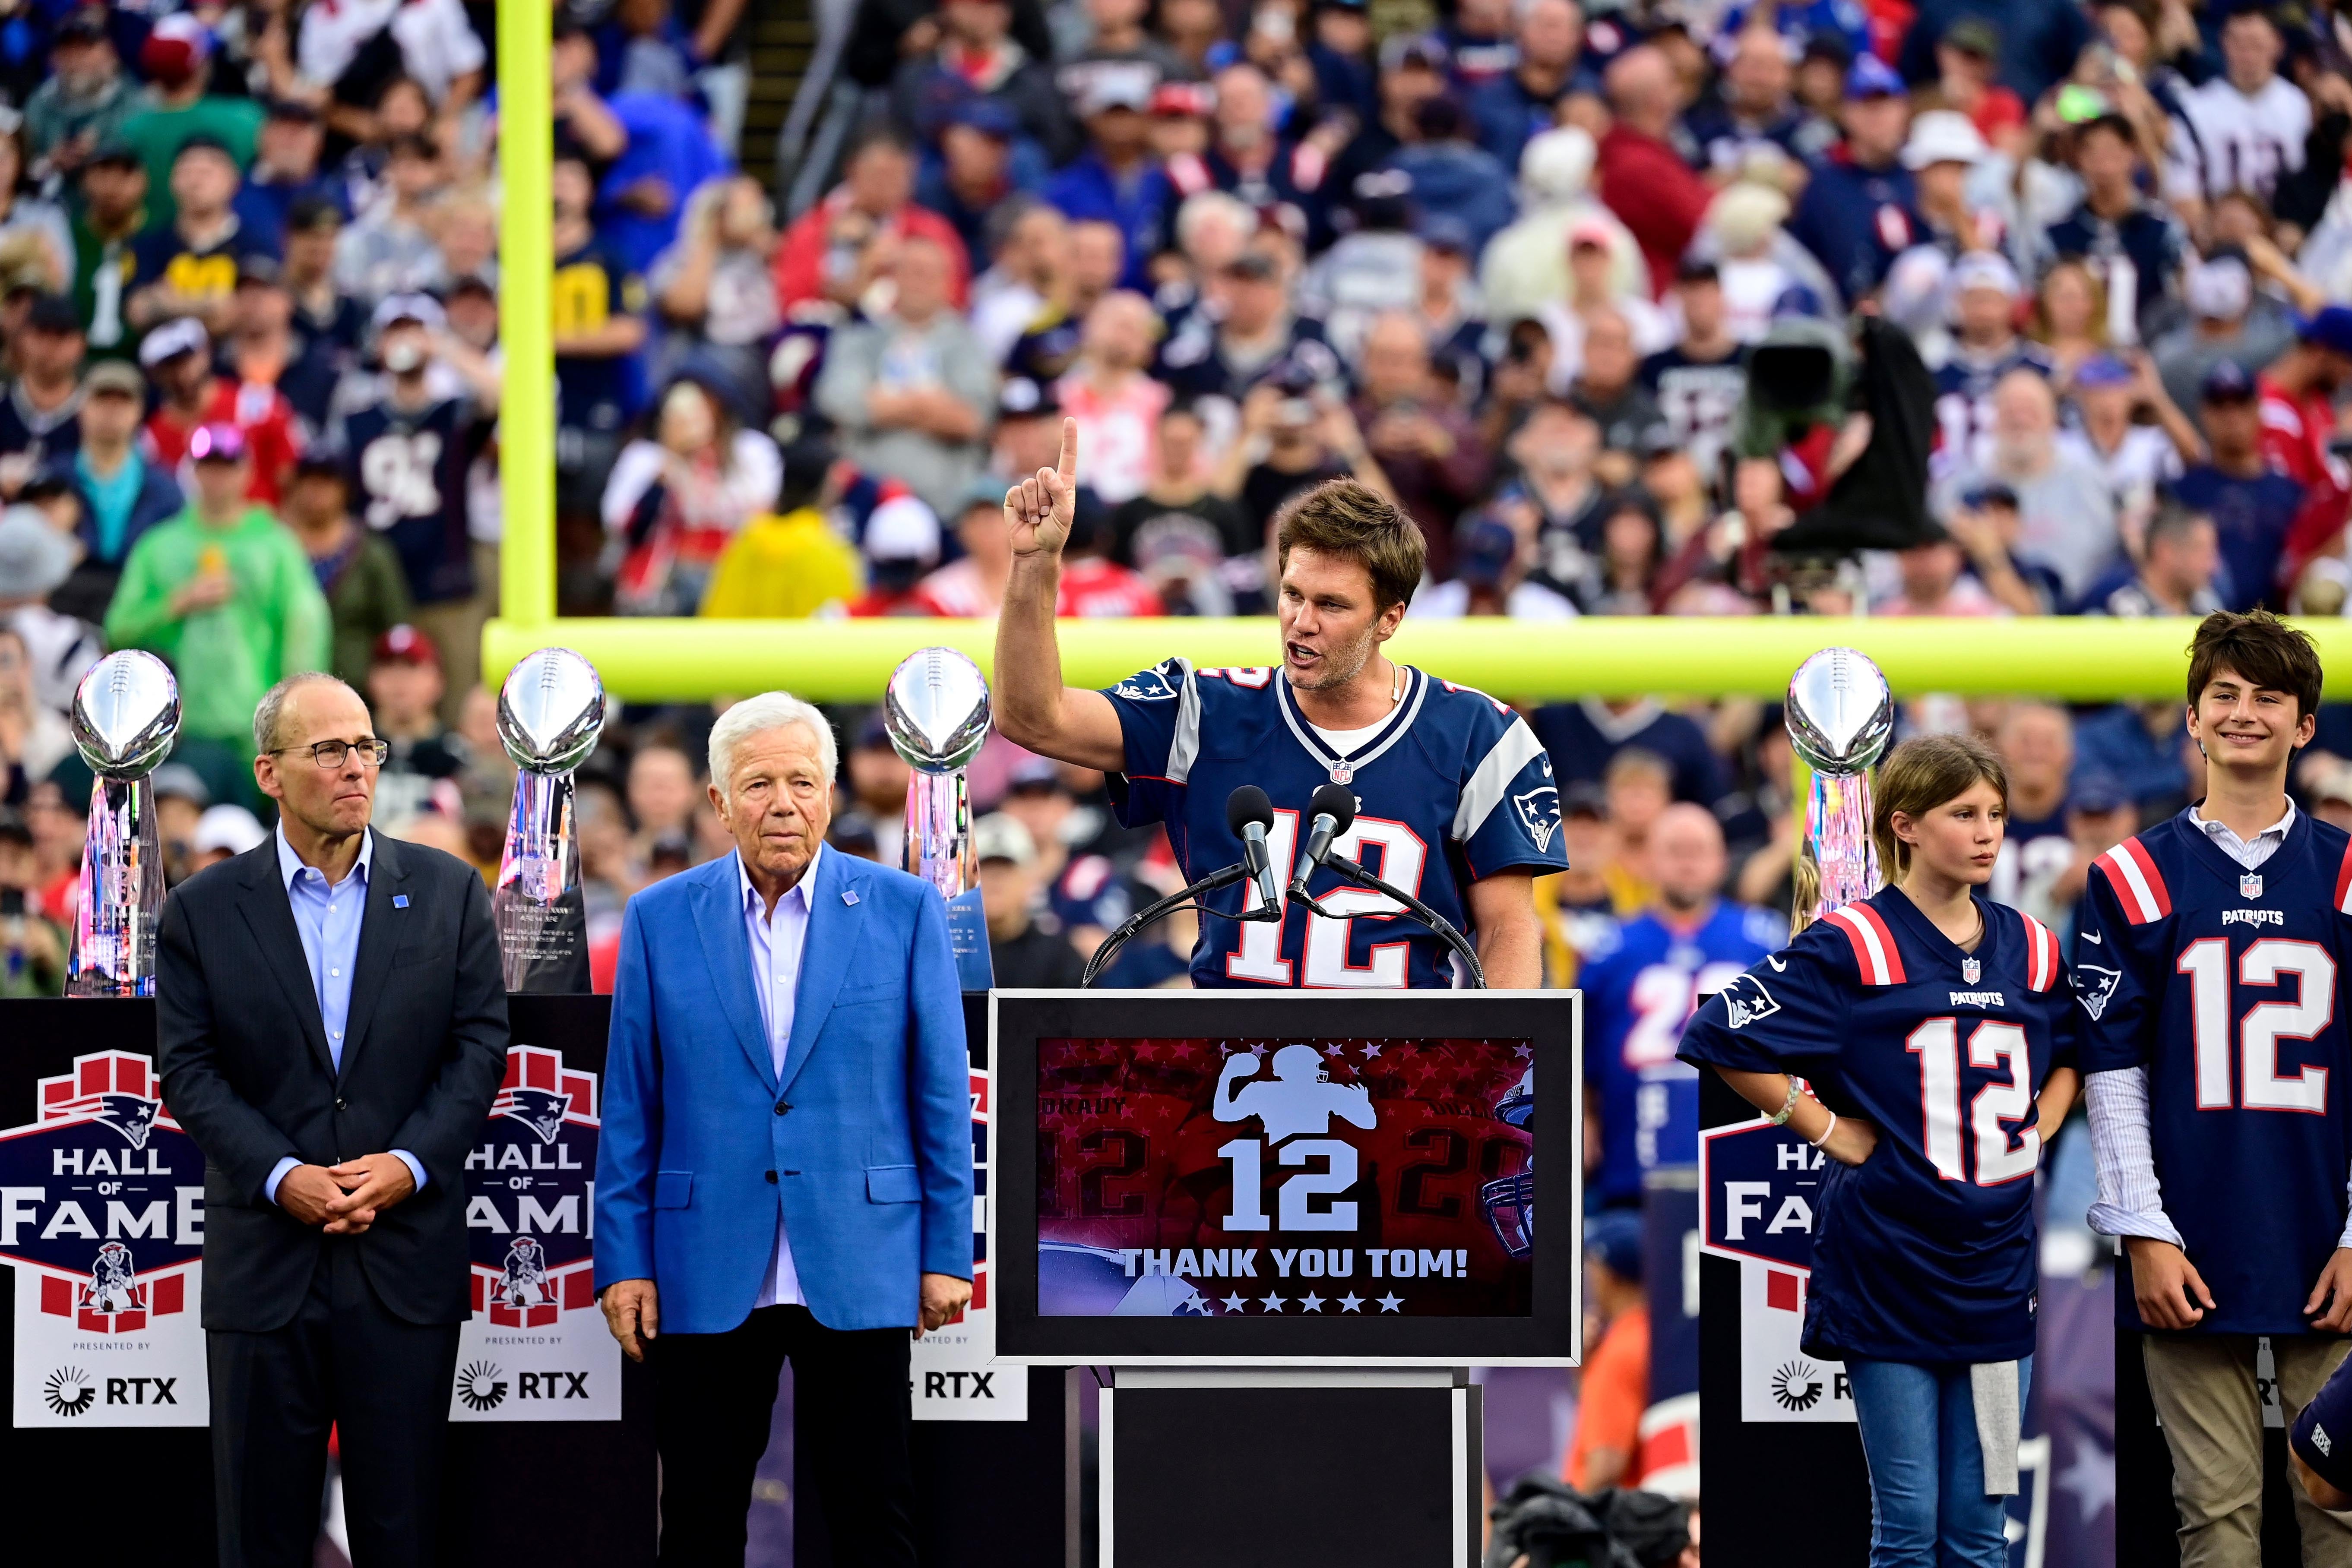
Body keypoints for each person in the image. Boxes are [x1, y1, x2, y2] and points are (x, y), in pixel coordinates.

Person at [1681, 733, 2082, 1568]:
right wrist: (1822, 1125)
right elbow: (1720, 1032)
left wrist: (2038, 1126)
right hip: (1889, 1261)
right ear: (1903, 824)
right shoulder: (1851, 943)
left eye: (1995, 814)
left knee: (1981, 1529)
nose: (1985, 832)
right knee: (1906, 1527)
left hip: (1998, 1270)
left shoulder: (2034, 945)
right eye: (1962, 813)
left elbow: (2080, 1046)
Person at [595, 692, 974, 1568]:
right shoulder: (657, 918)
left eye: (802, 781)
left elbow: (940, 1097)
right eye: (757, 783)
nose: (783, 802)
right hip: (703, 1253)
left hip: (860, 1247)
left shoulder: (904, 909)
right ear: (718, 803)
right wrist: (624, 1260)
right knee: (696, 1514)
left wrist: (947, 1250)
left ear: (831, 795)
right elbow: (630, 1107)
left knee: (874, 1510)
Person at [993, 424, 1563, 988]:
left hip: (1401, 1072)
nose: (1301, 622)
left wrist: (1489, 1073)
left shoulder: (1479, 737)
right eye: (1292, 594)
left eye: (1331, 605)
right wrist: (1033, 564)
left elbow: (1506, 933)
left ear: (1390, 617)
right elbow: (1032, 717)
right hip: (1231, 1070)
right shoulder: (1203, 710)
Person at [155, 671, 508, 1568]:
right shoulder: (200, 909)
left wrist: (404, 1167)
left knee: (404, 1533)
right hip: (266, 1267)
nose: (356, 767)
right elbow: (188, 1070)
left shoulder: (447, 891)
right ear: (269, 773)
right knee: (259, 1535)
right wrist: (284, 1177)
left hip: (404, 1262)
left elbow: (476, 1052)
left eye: (365, 747)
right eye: (330, 749)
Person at [2080, 611, 2352, 1565]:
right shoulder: (2131, 874)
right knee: (2215, 1518)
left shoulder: (2347, 870)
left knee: (2340, 1509)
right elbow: (2110, 1064)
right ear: (2189, 718)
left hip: (2326, 1235)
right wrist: (2142, 1230)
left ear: (2303, 725)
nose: (2243, 714)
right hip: (2188, 1237)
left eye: (2267, 697)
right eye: (2223, 696)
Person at [1581, 804, 1784, 1211]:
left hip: (1743, 1154)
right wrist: (1584, 1123)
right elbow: (1574, 1051)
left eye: (1699, 850)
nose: (1688, 863)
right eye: (1675, 850)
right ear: (1649, 860)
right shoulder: (1611, 948)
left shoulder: (1763, 940)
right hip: (1631, 1157)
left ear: (1722, 859)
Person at [103, 424, 332, 771]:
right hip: (180, 732)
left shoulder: (274, 544)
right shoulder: (160, 545)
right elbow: (118, 630)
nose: (218, 478)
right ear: (193, 472)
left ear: (247, 471)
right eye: (208, 467)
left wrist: (296, 720)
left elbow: (305, 629)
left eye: (228, 466)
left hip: (255, 730)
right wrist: (177, 603)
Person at [1564, 1210, 1650, 1492]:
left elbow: (1606, 1466)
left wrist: (1568, 1527)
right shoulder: (1646, 1334)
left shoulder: (1620, 1350)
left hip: (1611, 1527)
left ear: (1606, 1273)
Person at [975, 810, 1087, 986]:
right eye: (985, 870)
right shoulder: (951, 955)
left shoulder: (1059, 957)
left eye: (1006, 870)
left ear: (1028, 879)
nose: (996, 881)